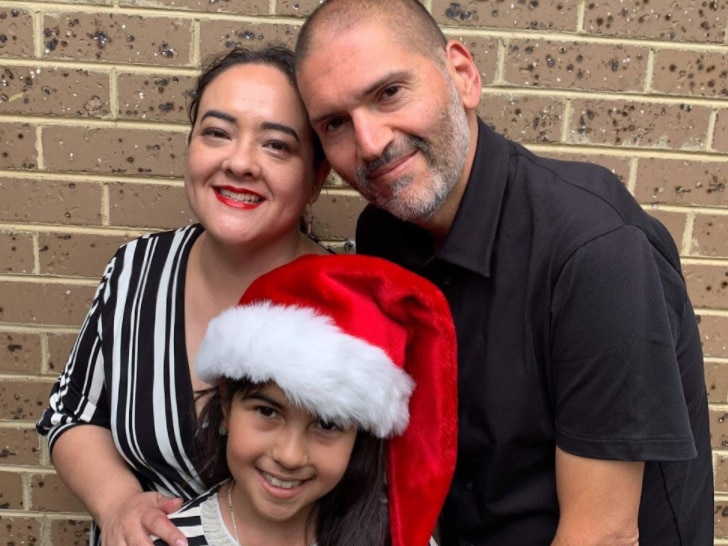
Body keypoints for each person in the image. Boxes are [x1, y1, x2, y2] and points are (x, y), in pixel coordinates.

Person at [294, 1, 714, 544]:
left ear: (462, 76)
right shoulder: (385, 232)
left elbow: (603, 534)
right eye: (335, 123)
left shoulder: (594, 250)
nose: (370, 142)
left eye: (389, 93)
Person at [36, 45, 331, 546]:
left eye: (277, 145)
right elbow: (73, 414)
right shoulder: (135, 270)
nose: (239, 162)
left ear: (316, 178)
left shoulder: (353, 301)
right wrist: (118, 504)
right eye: (216, 133)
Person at [152, 254, 458, 546]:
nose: (290, 455)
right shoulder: (167, 539)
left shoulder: (391, 538)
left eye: (326, 424)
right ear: (227, 404)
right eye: (267, 411)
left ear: (358, 436)